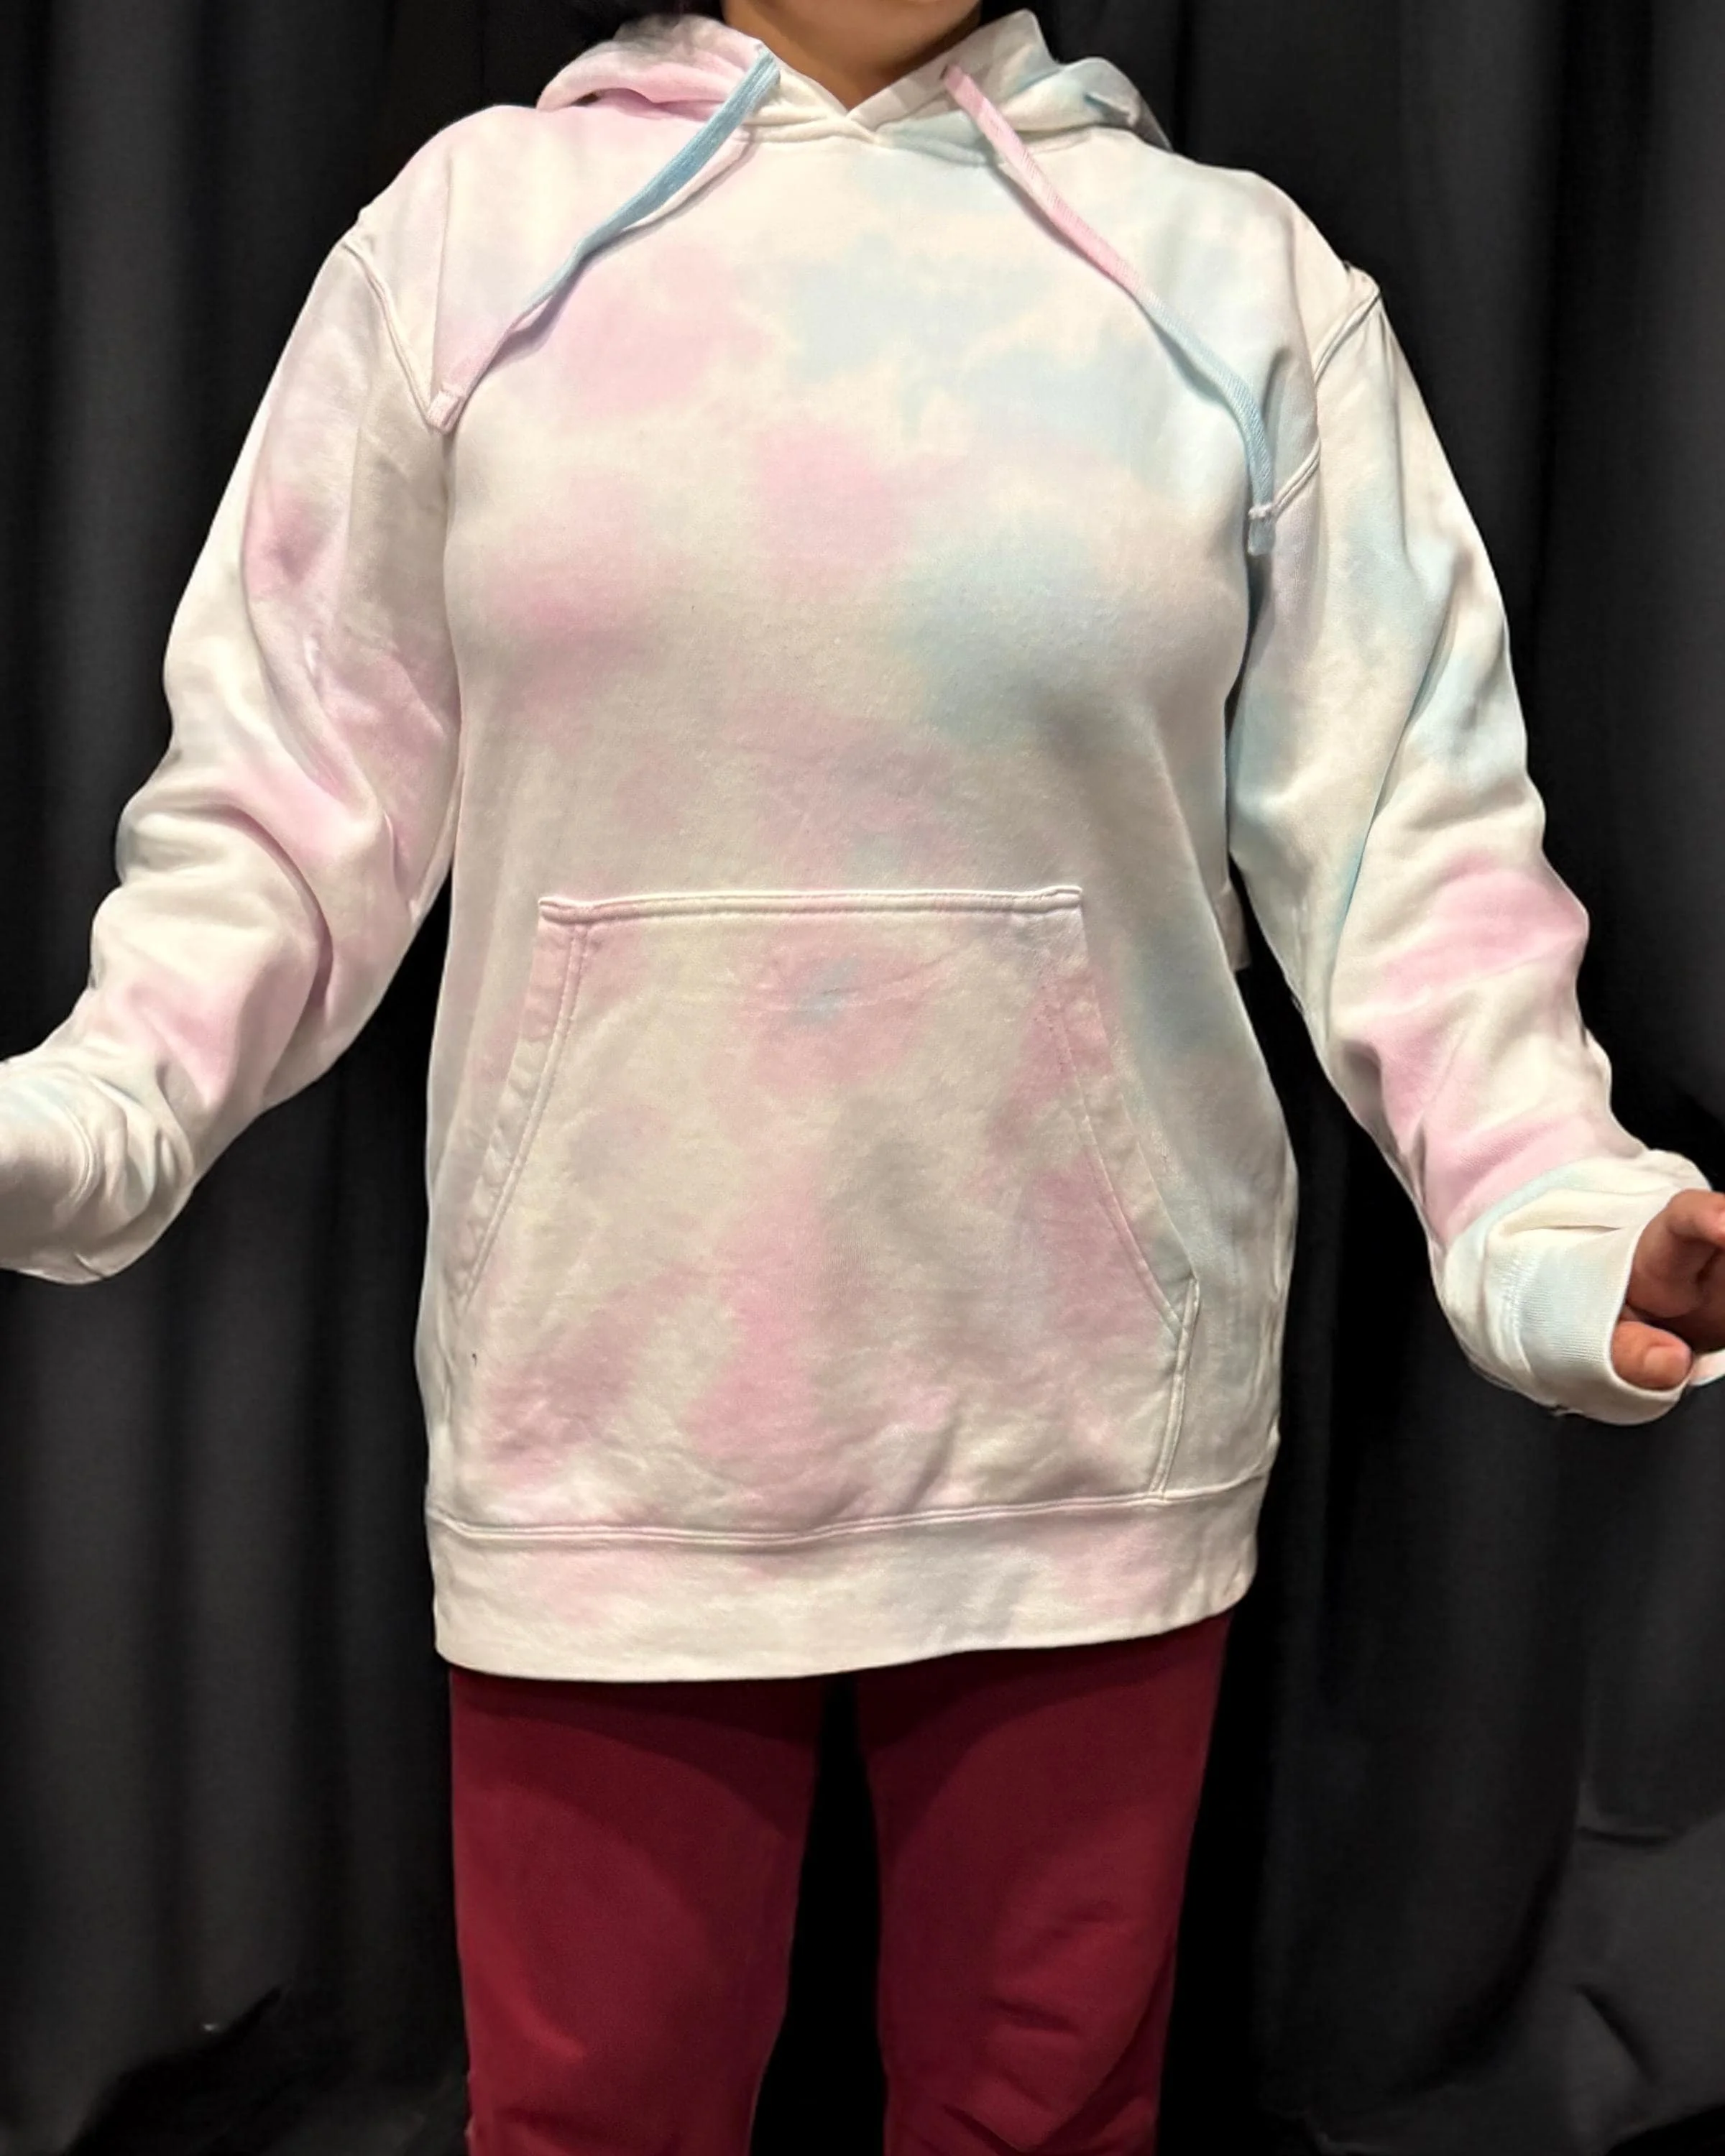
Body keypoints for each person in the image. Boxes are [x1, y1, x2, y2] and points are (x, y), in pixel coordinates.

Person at [4, 0, 1723, 2148]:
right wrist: (92, 1114)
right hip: (612, 1416)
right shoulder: (468, 243)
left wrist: (1560, 1215)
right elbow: (279, 809)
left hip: (1082, 1424)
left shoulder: (1227, 280)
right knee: (596, 2126)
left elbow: (1413, 847)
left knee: (1042, 2128)